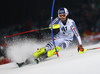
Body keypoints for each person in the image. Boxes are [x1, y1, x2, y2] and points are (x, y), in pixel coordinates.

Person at [17, 7, 85, 67]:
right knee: (46, 48)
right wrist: (53, 26)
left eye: (63, 15)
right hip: (59, 37)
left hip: (67, 40)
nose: (62, 17)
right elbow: (50, 25)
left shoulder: (71, 23)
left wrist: (80, 45)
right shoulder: (58, 20)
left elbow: (77, 34)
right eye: (60, 15)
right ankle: (27, 60)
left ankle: (42, 57)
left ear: (66, 14)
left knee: (57, 48)